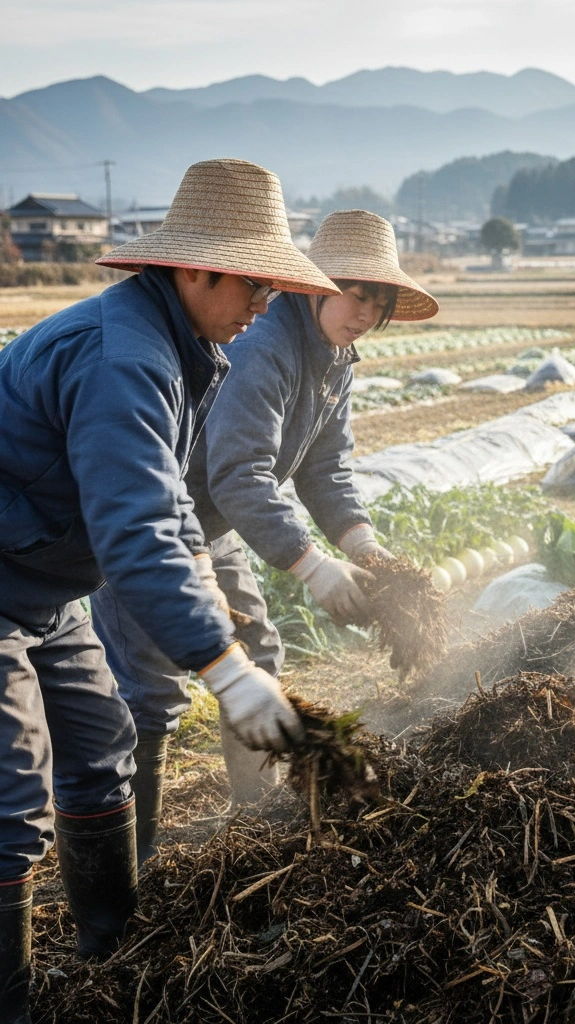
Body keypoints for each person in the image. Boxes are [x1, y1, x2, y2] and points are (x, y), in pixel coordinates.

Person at [0, 158, 338, 1022]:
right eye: (253, 282)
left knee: (102, 740)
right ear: (194, 268)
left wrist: (212, 604)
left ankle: (107, 957)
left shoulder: (183, 348)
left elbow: (174, 505)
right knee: (13, 791)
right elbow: (135, 528)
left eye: (273, 285)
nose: (264, 302)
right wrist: (224, 670)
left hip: (45, 585)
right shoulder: (125, 358)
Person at [90, 209, 439, 859]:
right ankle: (133, 861)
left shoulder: (334, 358)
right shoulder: (264, 347)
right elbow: (239, 474)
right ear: (317, 287)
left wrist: (364, 547)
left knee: (258, 653)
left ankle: (254, 824)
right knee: (151, 689)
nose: (365, 314)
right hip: (152, 517)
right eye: (356, 294)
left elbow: (325, 468)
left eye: (380, 302)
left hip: (212, 524)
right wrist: (313, 565)